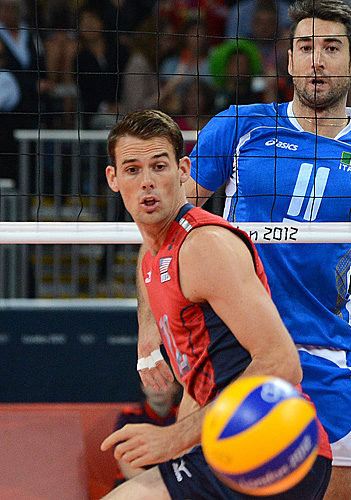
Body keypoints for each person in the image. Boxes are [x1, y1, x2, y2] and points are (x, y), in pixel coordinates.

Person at [137, 1, 351, 499]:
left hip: (325, 357)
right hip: (235, 355)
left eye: (330, 48)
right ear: (289, 60)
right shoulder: (239, 126)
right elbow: (162, 229)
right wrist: (149, 327)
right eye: (305, 47)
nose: (316, 60)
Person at [99, 109, 332, 500]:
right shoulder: (154, 258)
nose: (148, 183)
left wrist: (173, 438)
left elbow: (282, 365)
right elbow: (200, 380)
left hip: (270, 438)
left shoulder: (204, 246)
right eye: (133, 170)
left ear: (183, 171)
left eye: (159, 166)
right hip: (229, 441)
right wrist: (147, 331)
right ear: (113, 179)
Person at [112, 377, 182, 486]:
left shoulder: (185, 417)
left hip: (177, 482)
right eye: (150, 382)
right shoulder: (129, 416)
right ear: (142, 386)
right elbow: (125, 466)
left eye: (165, 381)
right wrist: (158, 484)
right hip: (135, 482)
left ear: (176, 386)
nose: (157, 387)